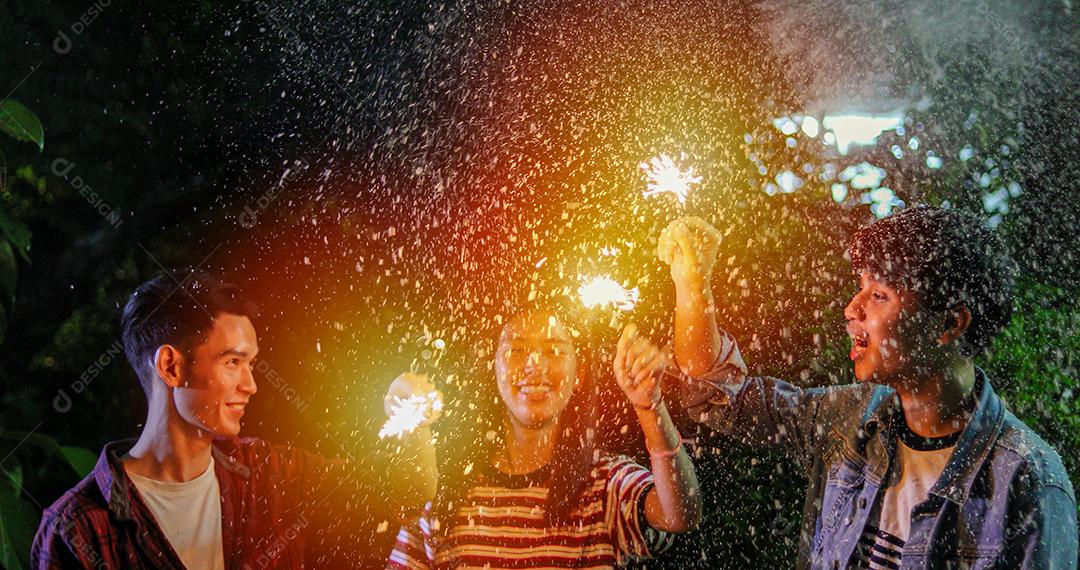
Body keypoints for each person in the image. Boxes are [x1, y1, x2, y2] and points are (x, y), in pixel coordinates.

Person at [661, 208, 1077, 569]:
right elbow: (717, 394)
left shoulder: (1027, 484)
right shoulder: (849, 419)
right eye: (860, 287)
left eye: (878, 295)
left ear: (951, 324)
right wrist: (692, 283)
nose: (851, 308)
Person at [31, 270, 437, 569]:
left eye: (251, 364)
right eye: (232, 362)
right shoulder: (78, 530)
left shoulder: (268, 476)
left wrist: (412, 409)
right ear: (171, 367)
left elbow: (401, 489)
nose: (251, 385)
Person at [387, 308, 702, 569]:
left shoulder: (605, 484)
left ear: (578, 372)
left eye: (554, 350)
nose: (534, 365)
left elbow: (679, 514)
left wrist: (649, 406)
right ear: (493, 366)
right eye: (516, 350)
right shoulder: (445, 492)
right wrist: (405, 427)